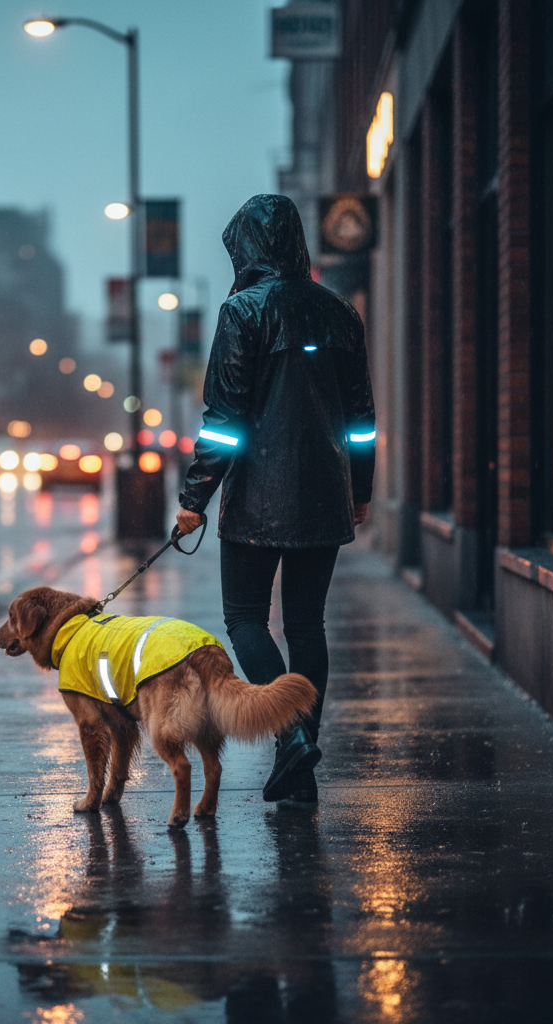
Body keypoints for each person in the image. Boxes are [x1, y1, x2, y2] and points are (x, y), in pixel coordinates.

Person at [175, 194, 374, 803]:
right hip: (323, 495)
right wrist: (359, 490)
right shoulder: (339, 312)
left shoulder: (243, 312)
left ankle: (289, 741)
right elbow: (361, 420)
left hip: (258, 497)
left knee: (245, 619)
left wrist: (194, 498)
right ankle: (301, 762)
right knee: (307, 623)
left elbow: (224, 420)